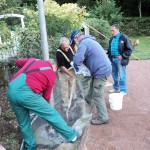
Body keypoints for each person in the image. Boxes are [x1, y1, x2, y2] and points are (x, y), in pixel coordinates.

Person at [7, 58, 79, 150]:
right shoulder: (50, 73)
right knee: (51, 114)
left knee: (23, 122)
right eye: (56, 70)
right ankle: (71, 135)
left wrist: (26, 69)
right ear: (54, 67)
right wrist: (44, 108)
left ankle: (30, 146)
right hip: (26, 93)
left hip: (11, 90)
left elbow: (17, 61)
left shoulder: (33, 60)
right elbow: (46, 97)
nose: (55, 72)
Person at [70, 30, 112, 125]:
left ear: (76, 38)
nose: (75, 44)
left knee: (97, 95)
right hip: (100, 70)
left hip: (101, 71)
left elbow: (77, 61)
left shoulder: (83, 43)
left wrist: (76, 64)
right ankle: (90, 106)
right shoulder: (89, 40)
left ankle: (103, 118)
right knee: (90, 93)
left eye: (74, 41)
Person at [107, 24, 132, 95]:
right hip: (112, 59)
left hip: (120, 59)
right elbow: (110, 48)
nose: (111, 32)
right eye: (111, 31)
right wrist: (107, 52)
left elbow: (129, 50)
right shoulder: (112, 38)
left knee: (122, 75)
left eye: (113, 30)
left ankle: (123, 90)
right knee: (114, 74)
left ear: (117, 29)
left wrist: (122, 56)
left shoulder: (124, 38)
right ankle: (116, 88)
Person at [56, 37, 76, 107]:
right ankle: (66, 103)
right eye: (64, 48)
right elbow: (62, 67)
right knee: (64, 88)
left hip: (71, 68)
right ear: (61, 46)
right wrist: (70, 74)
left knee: (72, 84)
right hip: (63, 71)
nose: (66, 49)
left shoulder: (71, 46)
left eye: (67, 47)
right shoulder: (59, 53)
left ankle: (73, 99)